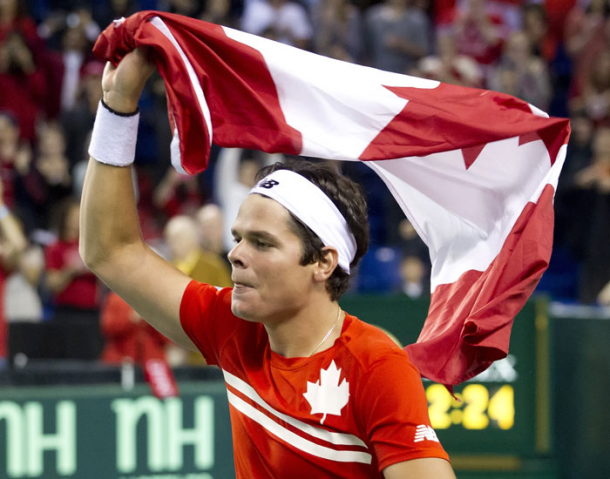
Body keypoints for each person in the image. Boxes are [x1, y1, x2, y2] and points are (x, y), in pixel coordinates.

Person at [80, 48, 454, 478]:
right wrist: (117, 107)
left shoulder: (376, 366)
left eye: (262, 243)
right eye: (238, 238)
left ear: (323, 263)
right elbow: (109, 250)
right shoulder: (233, 326)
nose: (236, 254)